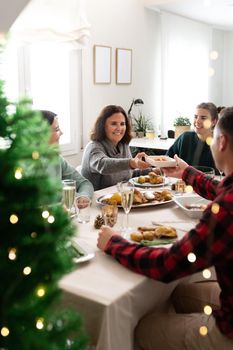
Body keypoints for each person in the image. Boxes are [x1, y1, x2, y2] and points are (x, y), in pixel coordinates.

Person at [97, 106, 233, 349]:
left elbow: (168, 265)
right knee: (179, 293)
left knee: (143, 327)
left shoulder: (226, 209)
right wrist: (186, 173)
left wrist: (114, 244)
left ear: (221, 141)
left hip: (229, 331)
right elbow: (220, 189)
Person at [81, 105, 151, 190]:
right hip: (95, 200)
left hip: (121, 197)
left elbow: (129, 174)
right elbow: (103, 165)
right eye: (114, 124)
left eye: (122, 124)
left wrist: (153, 171)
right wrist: (132, 162)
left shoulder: (123, 145)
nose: (119, 128)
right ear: (103, 126)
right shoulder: (93, 147)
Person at [40, 110, 94, 207]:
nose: (61, 133)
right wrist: (78, 198)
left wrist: (84, 196)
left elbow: (84, 183)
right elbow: (55, 196)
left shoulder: (56, 158)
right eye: (56, 129)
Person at [166, 102, 219, 171]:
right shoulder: (185, 137)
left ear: (214, 122)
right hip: (182, 181)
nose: (197, 121)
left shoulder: (220, 144)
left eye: (203, 118)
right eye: (195, 117)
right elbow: (167, 160)